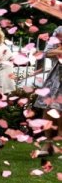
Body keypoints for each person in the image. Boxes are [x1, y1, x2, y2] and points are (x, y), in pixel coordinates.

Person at [35, 25, 62, 165]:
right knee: (49, 109)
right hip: (57, 77)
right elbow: (47, 52)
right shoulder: (59, 30)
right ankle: (48, 143)